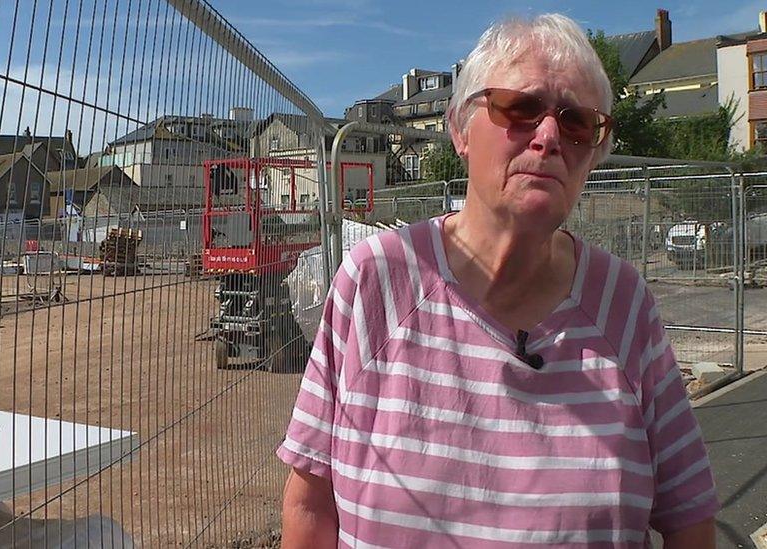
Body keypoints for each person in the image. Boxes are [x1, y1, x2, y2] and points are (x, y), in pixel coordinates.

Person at [277, 14, 717, 548]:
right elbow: (308, 503)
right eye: (521, 108)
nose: (549, 136)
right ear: (460, 128)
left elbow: (688, 513)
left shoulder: (623, 305)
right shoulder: (376, 282)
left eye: (577, 122)